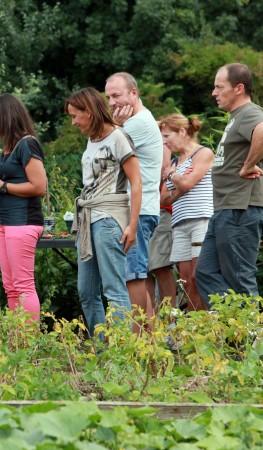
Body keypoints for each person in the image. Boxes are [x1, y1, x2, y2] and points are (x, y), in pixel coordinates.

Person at [65, 87, 142, 339]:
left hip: (109, 218)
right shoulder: (93, 139)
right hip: (89, 218)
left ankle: (122, 353)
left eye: (75, 116)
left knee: (114, 288)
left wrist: (132, 224)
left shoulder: (119, 137)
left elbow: (136, 181)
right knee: (86, 292)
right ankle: (102, 350)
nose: (73, 122)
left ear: (88, 111)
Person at [195, 63, 263, 305]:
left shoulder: (250, 112)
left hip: (242, 208)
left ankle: (254, 342)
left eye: (219, 87)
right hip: (226, 209)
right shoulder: (237, 117)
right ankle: (233, 334)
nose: (214, 92)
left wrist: (248, 166)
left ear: (239, 88)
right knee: (206, 273)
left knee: (240, 280)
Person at [104, 73, 163, 331]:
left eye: (117, 95)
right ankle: (150, 340)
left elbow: (105, 151)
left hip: (139, 211)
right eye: (108, 97)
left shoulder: (136, 124)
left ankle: (139, 341)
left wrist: (114, 127)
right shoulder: (130, 124)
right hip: (139, 209)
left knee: (134, 278)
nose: (112, 103)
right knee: (135, 277)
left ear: (134, 94)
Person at [0, 94, 47, 322]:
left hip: (24, 222)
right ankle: (17, 338)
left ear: (4, 118)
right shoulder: (8, 147)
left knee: (23, 285)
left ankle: (30, 345)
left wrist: (3, 186)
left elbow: (39, 186)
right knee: (10, 286)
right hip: (6, 223)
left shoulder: (27, 143)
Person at [159, 114, 214, 311]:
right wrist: (180, 184)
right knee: (184, 279)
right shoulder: (175, 162)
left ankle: (205, 326)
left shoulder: (203, 153)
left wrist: (172, 176)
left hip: (201, 219)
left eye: (167, 136)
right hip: (179, 222)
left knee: (197, 275)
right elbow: (163, 198)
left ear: (182, 131)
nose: (165, 143)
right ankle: (191, 328)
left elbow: (187, 183)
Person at [146, 142, 176, 308]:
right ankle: (150, 325)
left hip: (158, 210)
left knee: (161, 267)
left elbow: (163, 169)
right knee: (142, 272)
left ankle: (169, 323)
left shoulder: (157, 135)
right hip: (137, 211)